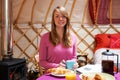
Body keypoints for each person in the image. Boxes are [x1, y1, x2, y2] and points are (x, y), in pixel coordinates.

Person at [39, 6, 78, 71]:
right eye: (57, 16)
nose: (60, 19)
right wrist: (57, 66)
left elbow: (74, 57)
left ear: (67, 19)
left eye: (63, 16)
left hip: (69, 73)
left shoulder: (73, 37)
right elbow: (42, 62)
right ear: (53, 19)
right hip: (52, 74)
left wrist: (74, 64)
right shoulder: (45, 37)